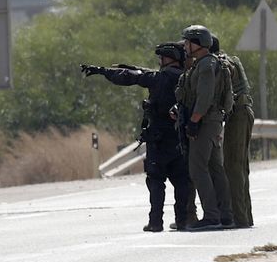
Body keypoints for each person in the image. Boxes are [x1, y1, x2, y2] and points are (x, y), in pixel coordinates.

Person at [81, 43, 195, 232]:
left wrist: (103, 71)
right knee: (182, 181)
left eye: (162, 58)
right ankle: (182, 220)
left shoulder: (158, 79)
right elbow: (138, 72)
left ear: (169, 59)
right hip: (180, 138)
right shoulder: (187, 79)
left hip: (158, 139)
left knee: (156, 181)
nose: (159, 62)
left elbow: (130, 77)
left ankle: (155, 222)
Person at [176, 24, 234, 230]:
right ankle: (225, 214)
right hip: (210, 121)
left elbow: (205, 97)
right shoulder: (203, 64)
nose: (184, 45)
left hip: (205, 122)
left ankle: (211, 215)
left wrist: (194, 121)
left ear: (198, 44)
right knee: (214, 167)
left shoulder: (206, 65)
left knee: (197, 168)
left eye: (188, 41)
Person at [211, 35, 254, 228]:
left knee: (233, 168)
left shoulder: (222, 64)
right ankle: (244, 215)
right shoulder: (229, 59)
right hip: (242, 113)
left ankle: (240, 218)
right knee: (240, 167)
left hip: (237, 115)